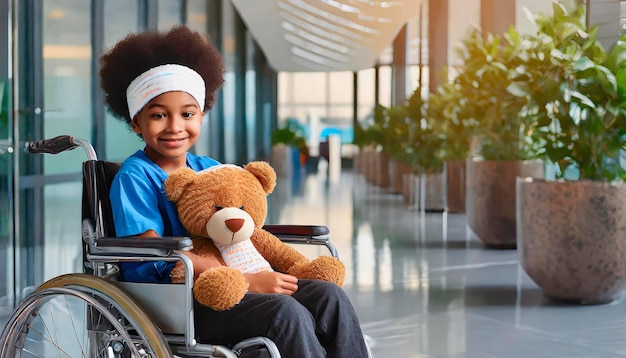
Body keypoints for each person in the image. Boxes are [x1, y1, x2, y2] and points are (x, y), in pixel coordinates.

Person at [100, 25, 370, 358]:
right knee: (286, 313)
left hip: (225, 282)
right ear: (136, 122)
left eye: (187, 114)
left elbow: (242, 222)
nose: (174, 126)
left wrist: (256, 270)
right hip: (173, 298)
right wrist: (246, 280)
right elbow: (150, 250)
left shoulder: (209, 166)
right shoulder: (135, 176)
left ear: (201, 115)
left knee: (329, 296)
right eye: (158, 115)